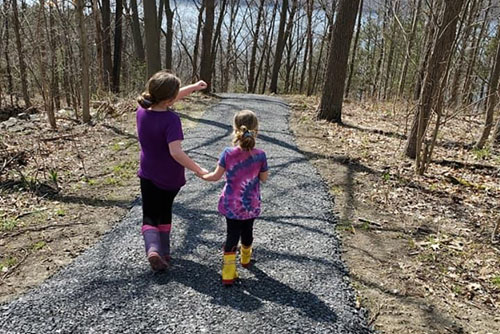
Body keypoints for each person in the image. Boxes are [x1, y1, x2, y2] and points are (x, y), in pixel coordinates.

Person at [136, 70, 208, 271]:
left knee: (150, 213)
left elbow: (165, 98)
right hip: (170, 176)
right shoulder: (171, 120)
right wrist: (198, 169)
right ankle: (165, 252)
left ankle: (153, 250)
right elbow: (176, 153)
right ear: (169, 100)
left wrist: (193, 88)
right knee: (165, 211)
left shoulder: (141, 111)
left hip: (147, 172)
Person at [202, 110, 269, 285]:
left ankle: (228, 272)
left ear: (235, 129)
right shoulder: (260, 155)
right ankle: (246, 259)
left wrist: (201, 174)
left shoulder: (227, 153)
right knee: (248, 232)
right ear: (256, 130)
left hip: (231, 203)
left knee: (232, 234)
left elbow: (216, 176)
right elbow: (264, 178)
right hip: (251, 203)